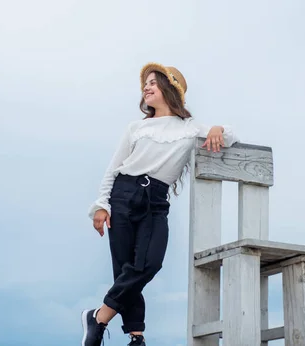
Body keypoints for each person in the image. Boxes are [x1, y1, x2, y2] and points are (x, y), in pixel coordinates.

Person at [81, 62, 238, 346]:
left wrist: (216, 128)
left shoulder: (190, 129)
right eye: (146, 84)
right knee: (125, 267)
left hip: (156, 201)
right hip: (123, 194)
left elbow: (228, 135)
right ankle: (136, 336)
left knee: (148, 264)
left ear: (170, 89)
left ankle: (98, 317)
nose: (146, 87)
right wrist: (101, 205)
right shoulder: (136, 128)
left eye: (154, 82)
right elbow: (113, 168)